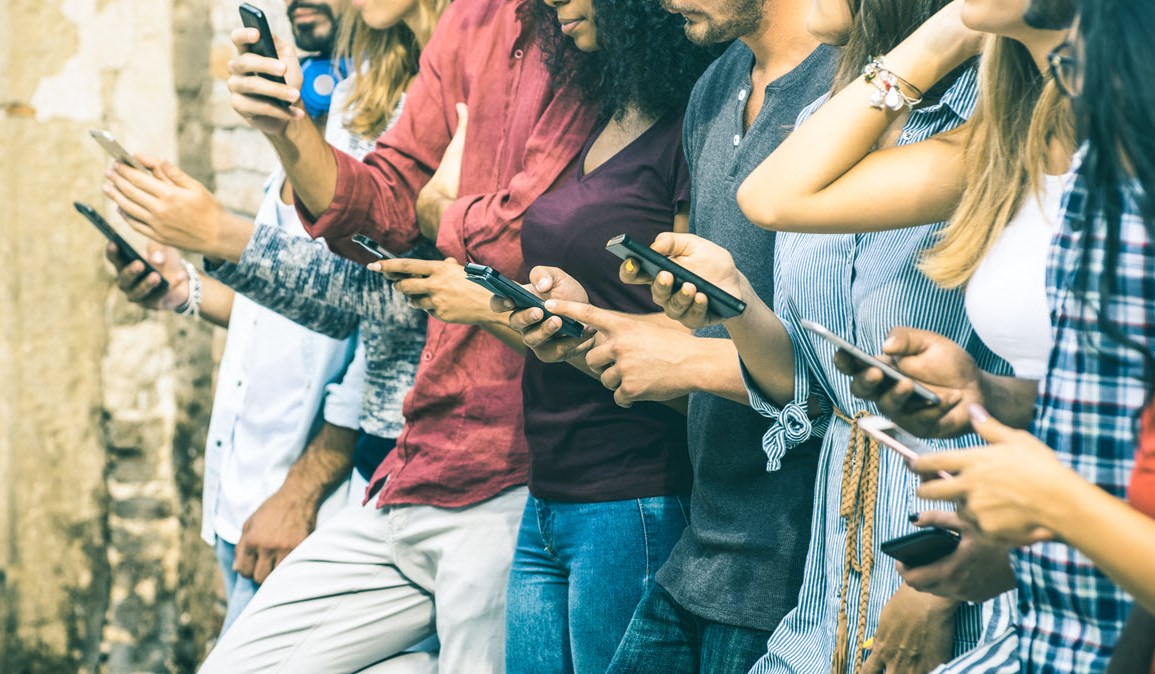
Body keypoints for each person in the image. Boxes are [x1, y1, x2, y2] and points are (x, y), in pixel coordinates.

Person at [107, 0, 599, 670]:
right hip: (411, 462)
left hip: (507, 465)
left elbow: (438, 272)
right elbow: (387, 222)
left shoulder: (584, 29)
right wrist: (284, 134)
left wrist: (224, 237)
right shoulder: (432, 48)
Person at [610, 1, 1063, 672]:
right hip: (832, 579)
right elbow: (817, 385)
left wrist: (945, 31)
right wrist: (734, 303)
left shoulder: (991, 126)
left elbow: (1062, 392)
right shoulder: (827, 122)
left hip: (954, 550)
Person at [505, 0, 836, 671]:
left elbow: (842, 365)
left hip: (792, 559)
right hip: (706, 541)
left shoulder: (849, 92)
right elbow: (714, 320)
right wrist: (594, 322)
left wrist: (687, 363)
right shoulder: (716, 84)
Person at [872, 2, 1155, 671]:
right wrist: (991, 397)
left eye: (1081, 62)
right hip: (1062, 632)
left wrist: (1049, 499)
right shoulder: (1095, 166)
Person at [103, 0, 369, 634]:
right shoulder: (298, 145)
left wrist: (299, 496)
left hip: (310, 512)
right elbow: (286, 316)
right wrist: (181, 289)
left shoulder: (382, 146)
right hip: (242, 497)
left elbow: (388, 341)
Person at [490, 1, 714, 671]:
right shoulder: (598, 114)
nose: (554, 6)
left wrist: (591, 319)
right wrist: (563, 304)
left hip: (634, 492)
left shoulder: (686, 129)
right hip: (550, 492)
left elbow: (697, 326)